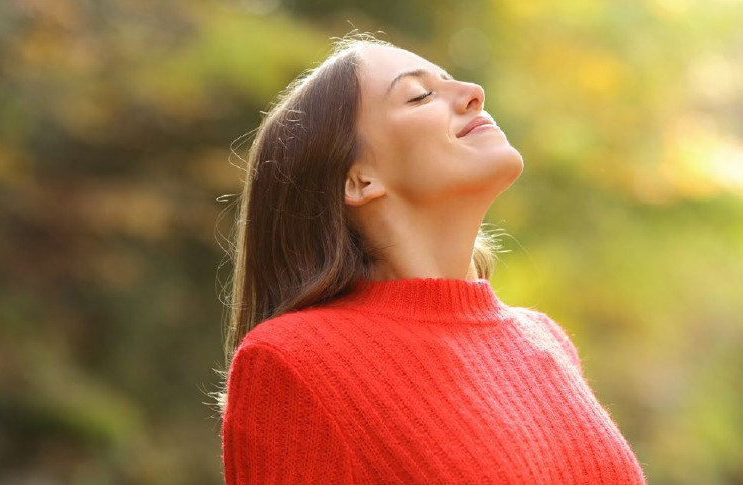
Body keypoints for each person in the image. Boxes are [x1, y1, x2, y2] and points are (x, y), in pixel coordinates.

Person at [215, 34, 647, 484]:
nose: (473, 93)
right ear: (358, 180)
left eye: (452, 82)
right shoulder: (292, 362)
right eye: (421, 95)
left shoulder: (546, 341)